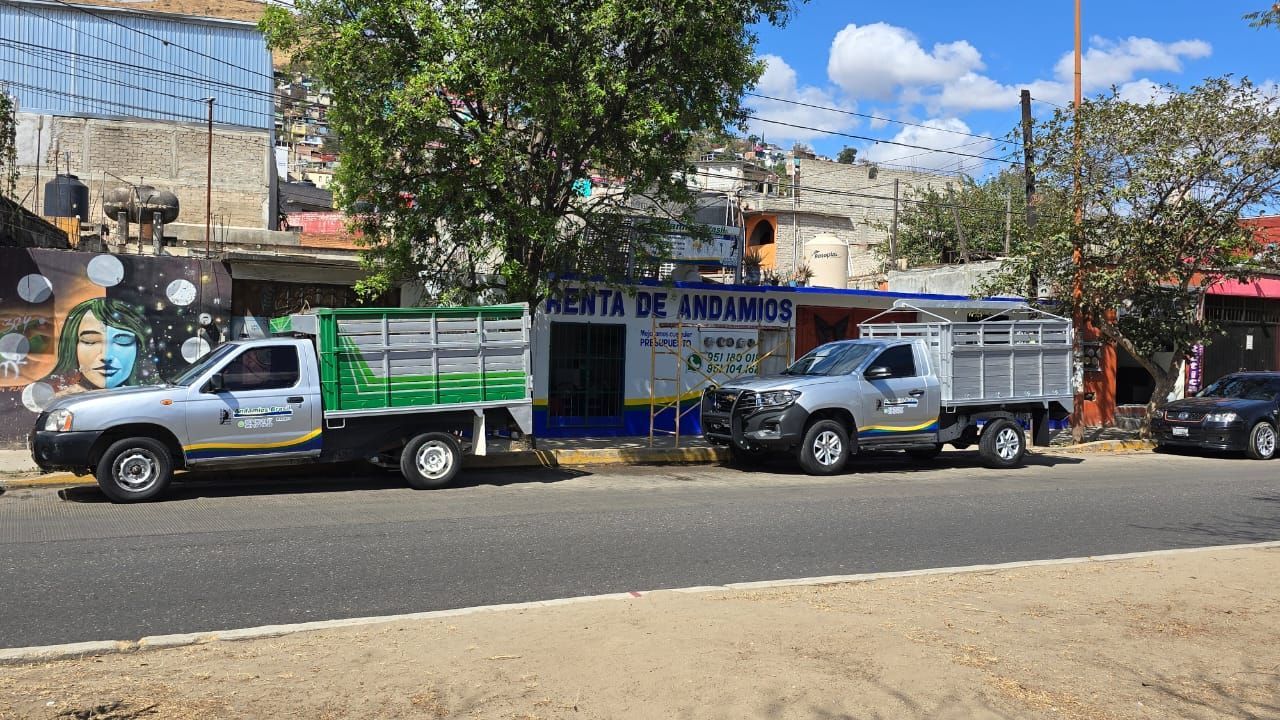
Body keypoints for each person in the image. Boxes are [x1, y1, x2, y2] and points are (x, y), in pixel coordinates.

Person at [39, 298, 155, 398]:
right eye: (90, 340)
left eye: (122, 341)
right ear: (71, 347)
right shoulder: (58, 402)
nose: (105, 355)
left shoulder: (154, 399)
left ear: (139, 347)